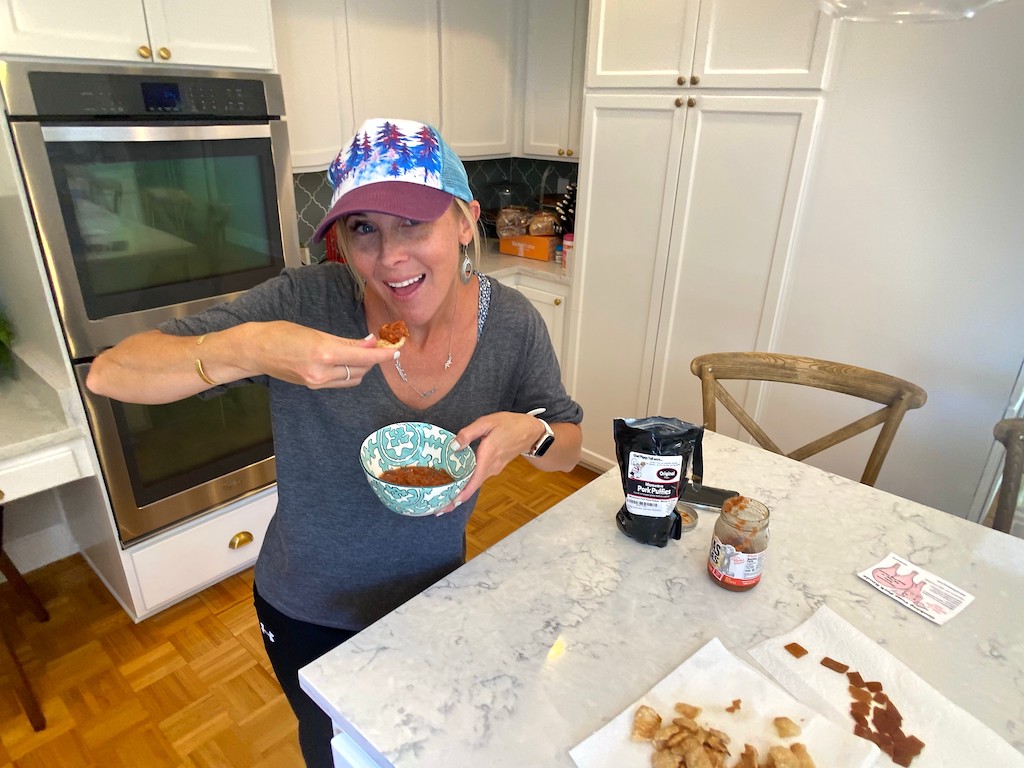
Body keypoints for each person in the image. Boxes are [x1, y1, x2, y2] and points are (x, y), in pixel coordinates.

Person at [86, 117, 584, 767]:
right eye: (364, 230)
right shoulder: (305, 303)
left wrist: (533, 432)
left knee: (427, 741)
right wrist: (254, 347)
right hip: (308, 608)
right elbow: (113, 372)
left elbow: (571, 444)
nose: (390, 258)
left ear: (465, 220)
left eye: (413, 223)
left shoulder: (513, 323)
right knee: (336, 751)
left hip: (438, 593)